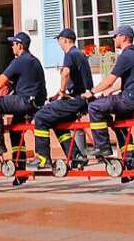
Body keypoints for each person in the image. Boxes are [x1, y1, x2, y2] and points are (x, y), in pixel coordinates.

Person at [84, 25, 134, 179]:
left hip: (131, 99)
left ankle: (103, 147)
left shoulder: (126, 56)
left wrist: (92, 92)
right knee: (121, 126)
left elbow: (110, 79)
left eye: (115, 36)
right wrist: (110, 91)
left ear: (124, 37)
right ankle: (132, 162)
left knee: (95, 107)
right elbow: (125, 81)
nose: (113, 38)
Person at [0, 32, 47, 177]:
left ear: (20, 45)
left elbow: (0, 82)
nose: (12, 47)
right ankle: (19, 164)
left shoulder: (19, 61)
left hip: (24, 101)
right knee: (15, 129)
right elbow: (24, 82)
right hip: (35, 102)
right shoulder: (34, 60)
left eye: (13, 44)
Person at [28, 28, 92, 172]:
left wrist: (62, 91)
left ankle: (43, 158)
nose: (59, 44)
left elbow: (66, 73)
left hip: (76, 99)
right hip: (82, 99)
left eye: (59, 41)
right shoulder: (79, 54)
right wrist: (59, 94)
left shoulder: (70, 54)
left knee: (41, 117)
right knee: (54, 120)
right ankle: (76, 156)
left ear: (65, 40)